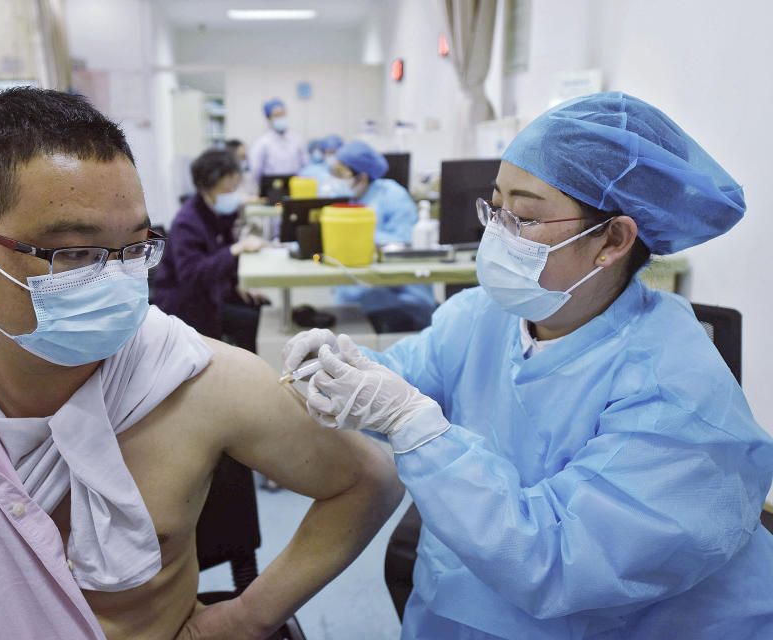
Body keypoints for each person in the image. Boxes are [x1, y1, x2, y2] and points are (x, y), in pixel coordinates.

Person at [0, 88, 404, 640]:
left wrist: (248, 617)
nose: (117, 280)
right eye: (73, 251)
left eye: (134, 248)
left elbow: (368, 480)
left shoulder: (189, 375)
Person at [283, 92, 773, 639]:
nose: (498, 234)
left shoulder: (676, 392)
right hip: (467, 599)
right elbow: (407, 377)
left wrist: (413, 426)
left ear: (612, 239)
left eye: (527, 217)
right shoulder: (482, 315)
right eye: (495, 208)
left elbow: (561, 563)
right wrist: (349, 368)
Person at [152, 148, 270, 353]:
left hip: (210, 291)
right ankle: (248, 373)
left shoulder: (217, 212)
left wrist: (236, 286)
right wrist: (235, 250)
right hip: (185, 304)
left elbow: (219, 255)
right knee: (252, 321)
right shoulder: (187, 223)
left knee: (262, 306)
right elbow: (192, 275)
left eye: (235, 187)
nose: (233, 195)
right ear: (206, 189)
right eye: (227, 190)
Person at [329, 139, 436, 332]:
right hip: (355, 296)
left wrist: (357, 236)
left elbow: (404, 242)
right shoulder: (350, 199)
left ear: (362, 176)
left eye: (341, 173)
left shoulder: (393, 195)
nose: (337, 180)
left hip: (399, 299)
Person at [248, 98, 307, 186]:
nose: (280, 117)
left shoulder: (297, 139)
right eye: (276, 115)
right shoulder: (261, 143)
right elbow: (255, 171)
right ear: (269, 118)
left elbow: (305, 164)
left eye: (282, 114)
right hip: (271, 188)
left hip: (296, 186)